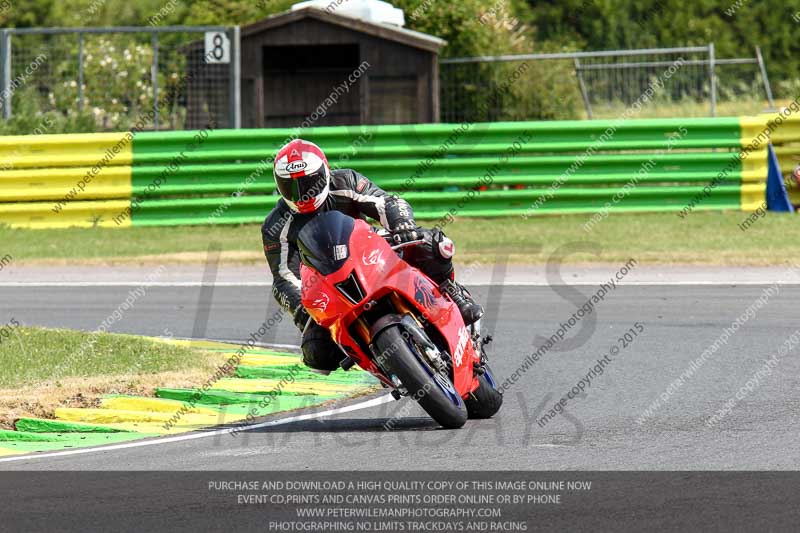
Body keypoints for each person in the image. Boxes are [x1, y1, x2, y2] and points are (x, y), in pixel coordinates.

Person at [262, 139, 483, 374]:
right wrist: (302, 309)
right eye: (291, 187)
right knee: (317, 353)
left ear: (325, 172)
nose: (303, 194)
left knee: (432, 245)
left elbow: (385, 202)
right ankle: (382, 361)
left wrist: (402, 225)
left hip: (370, 252)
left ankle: (451, 289)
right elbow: (284, 277)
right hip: (328, 283)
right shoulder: (276, 225)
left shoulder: (345, 181)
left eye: (309, 183)